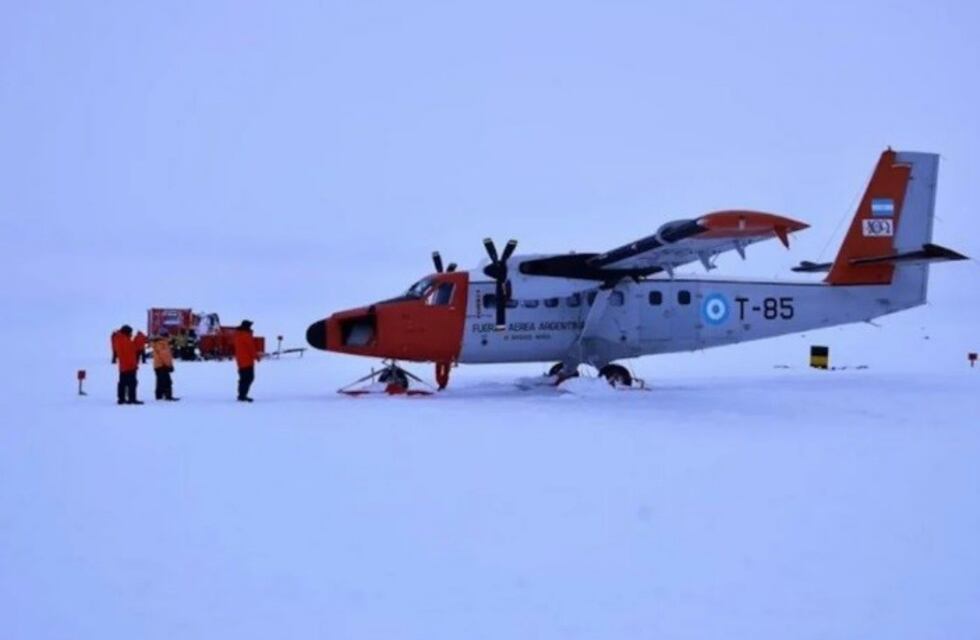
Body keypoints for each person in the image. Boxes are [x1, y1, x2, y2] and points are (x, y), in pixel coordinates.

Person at [112, 325, 143, 405]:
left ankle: (121, 399)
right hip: (129, 366)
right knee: (132, 383)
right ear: (127, 332)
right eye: (130, 332)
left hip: (123, 366)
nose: (131, 334)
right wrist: (134, 365)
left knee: (122, 383)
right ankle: (132, 399)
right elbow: (131, 351)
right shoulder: (125, 340)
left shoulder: (119, 339)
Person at [234, 319, 257, 402]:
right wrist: (256, 357)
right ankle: (242, 396)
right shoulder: (245, 335)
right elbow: (251, 348)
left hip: (240, 361)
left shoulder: (238, 335)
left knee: (244, 378)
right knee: (248, 378)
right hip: (247, 361)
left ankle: (241, 395)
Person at [152, 332, 179, 401]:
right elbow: (164, 356)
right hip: (162, 365)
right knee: (167, 381)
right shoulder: (162, 344)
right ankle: (168, 396)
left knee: (160, 381)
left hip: (158, 365)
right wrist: (169, 365)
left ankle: (159, 396)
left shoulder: (158, 343)